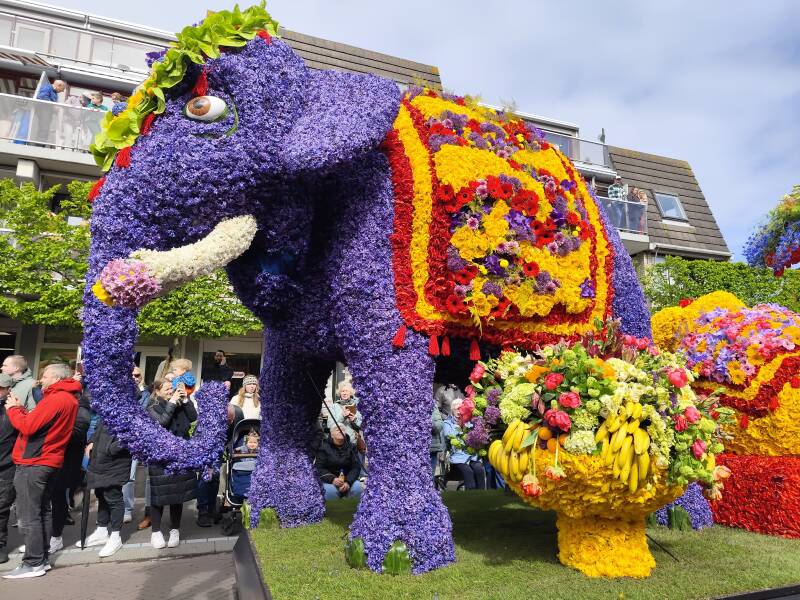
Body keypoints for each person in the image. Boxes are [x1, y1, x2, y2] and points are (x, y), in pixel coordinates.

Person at [3, 363, 79, 579]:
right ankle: (41, 559)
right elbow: (38, 423)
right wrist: (22, 411)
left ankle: (33, 562)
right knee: (42, 511)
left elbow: (28, 427)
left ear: (56, 378)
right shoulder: (67, 398)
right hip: (47, 461)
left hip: (35, 461)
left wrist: (13, 409)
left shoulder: (57, 398)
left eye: (45, 376)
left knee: (29, 515)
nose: (41, 380)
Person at [147, 379, 197, 549]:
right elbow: (161, 423)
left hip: (180, 453)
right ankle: (156, 532)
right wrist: (173, 402)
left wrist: (185, 399)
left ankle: (175, 529)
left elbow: (193, 417)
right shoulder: (152, 406)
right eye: (167, 389)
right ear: (157, 391)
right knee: (158, 494)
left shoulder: (179, 403)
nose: (171, 391)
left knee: (178, 493)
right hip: (160, 456)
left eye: (172, 388)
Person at [79, 418, 132, 557]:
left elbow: (131, 436)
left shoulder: (130, 410)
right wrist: (92, 442)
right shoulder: (107, 407)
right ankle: (102, 531)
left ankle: (115, 537)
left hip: (115, 462)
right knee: (101, 494)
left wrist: (109, 448)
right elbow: (99, 426)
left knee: (113, 497)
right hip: (101, 459)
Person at [49, 389, 90, 555]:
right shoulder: (59, 404)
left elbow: (77, 433)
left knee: (58, 500)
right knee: (49, 501)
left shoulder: (81, 409)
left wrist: (52, 426)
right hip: (53, 460)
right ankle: (43, 538)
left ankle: (55, 538)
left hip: (67, 463)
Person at [122, 367, 150, 524]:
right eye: (131, 375)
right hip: (122, 438)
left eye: (137, 375)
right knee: (123, 476)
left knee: (132, 476)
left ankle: (129, 509)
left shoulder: (145, 393)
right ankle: (120, 508)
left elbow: (140, 412)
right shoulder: (121, 390)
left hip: (138, 439)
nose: (134, 377)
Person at [443, 399, 486, 490]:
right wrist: (460, 427)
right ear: (452, 410)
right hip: (457, 457)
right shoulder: (447, 423)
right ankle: (470, 494)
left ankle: (482, 493)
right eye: (456, 409)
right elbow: (448, 435)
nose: (459, 412)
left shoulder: (469, 422)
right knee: (468, 472)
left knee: (479, 470)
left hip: (471, 456)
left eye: (461, 409)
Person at [315, 427, 362, 500]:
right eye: (337, 430)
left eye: (343, 430)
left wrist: (348, 482)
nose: (340, 431)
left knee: (357, 487)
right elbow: (319, 468)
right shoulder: (323, 448)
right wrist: (333, 479)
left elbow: (356, 467)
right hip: (329, 480)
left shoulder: (352, 447)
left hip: (348, 479)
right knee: (329, 491)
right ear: (331, 435)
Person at [0, 374, 18, 564]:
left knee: (1, 509)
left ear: (8, 390)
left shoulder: (13, 410)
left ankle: (0, 545)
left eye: (0, 388)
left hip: (6, 468)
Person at [430, 403, 444, 478]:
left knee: (429, 477)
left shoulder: (432, 405)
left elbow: (439, 426)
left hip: (431, 448)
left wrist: (427, 422)